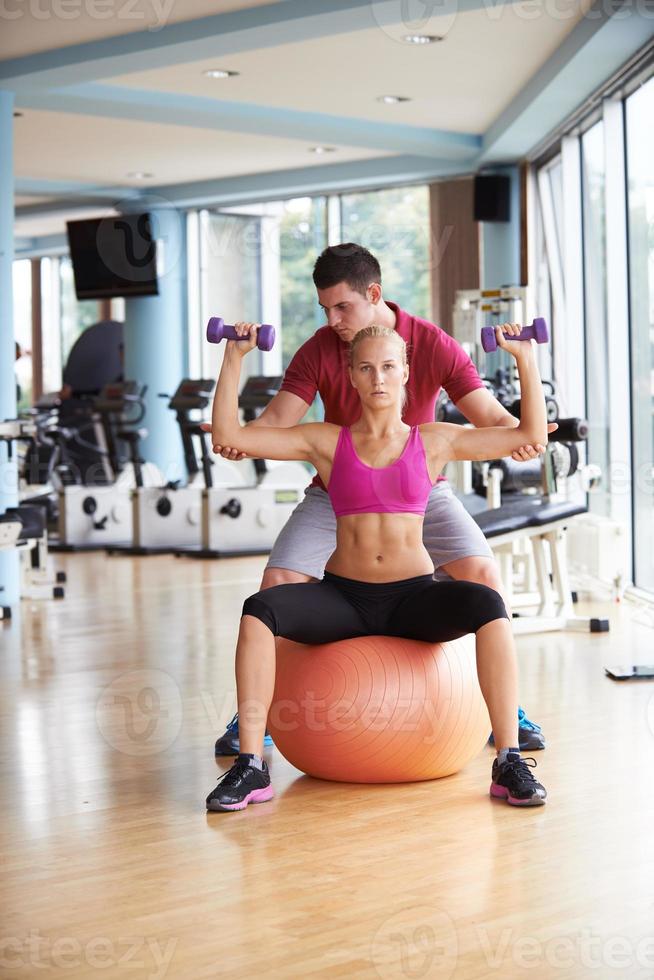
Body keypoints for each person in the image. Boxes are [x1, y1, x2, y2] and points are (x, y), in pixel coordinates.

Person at [211, 244, 551, 756]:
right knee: (277, 583)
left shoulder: (431, 344)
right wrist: (236, 433)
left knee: (483, 578)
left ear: (374, 294)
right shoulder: (321, 348)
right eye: (324, 308)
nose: (332, 319)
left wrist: (523, 435)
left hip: (419, 484)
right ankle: (257, 713)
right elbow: (279, 422)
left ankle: (505, 711)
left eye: (342, 307)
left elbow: (490, 417)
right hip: (337, 488)